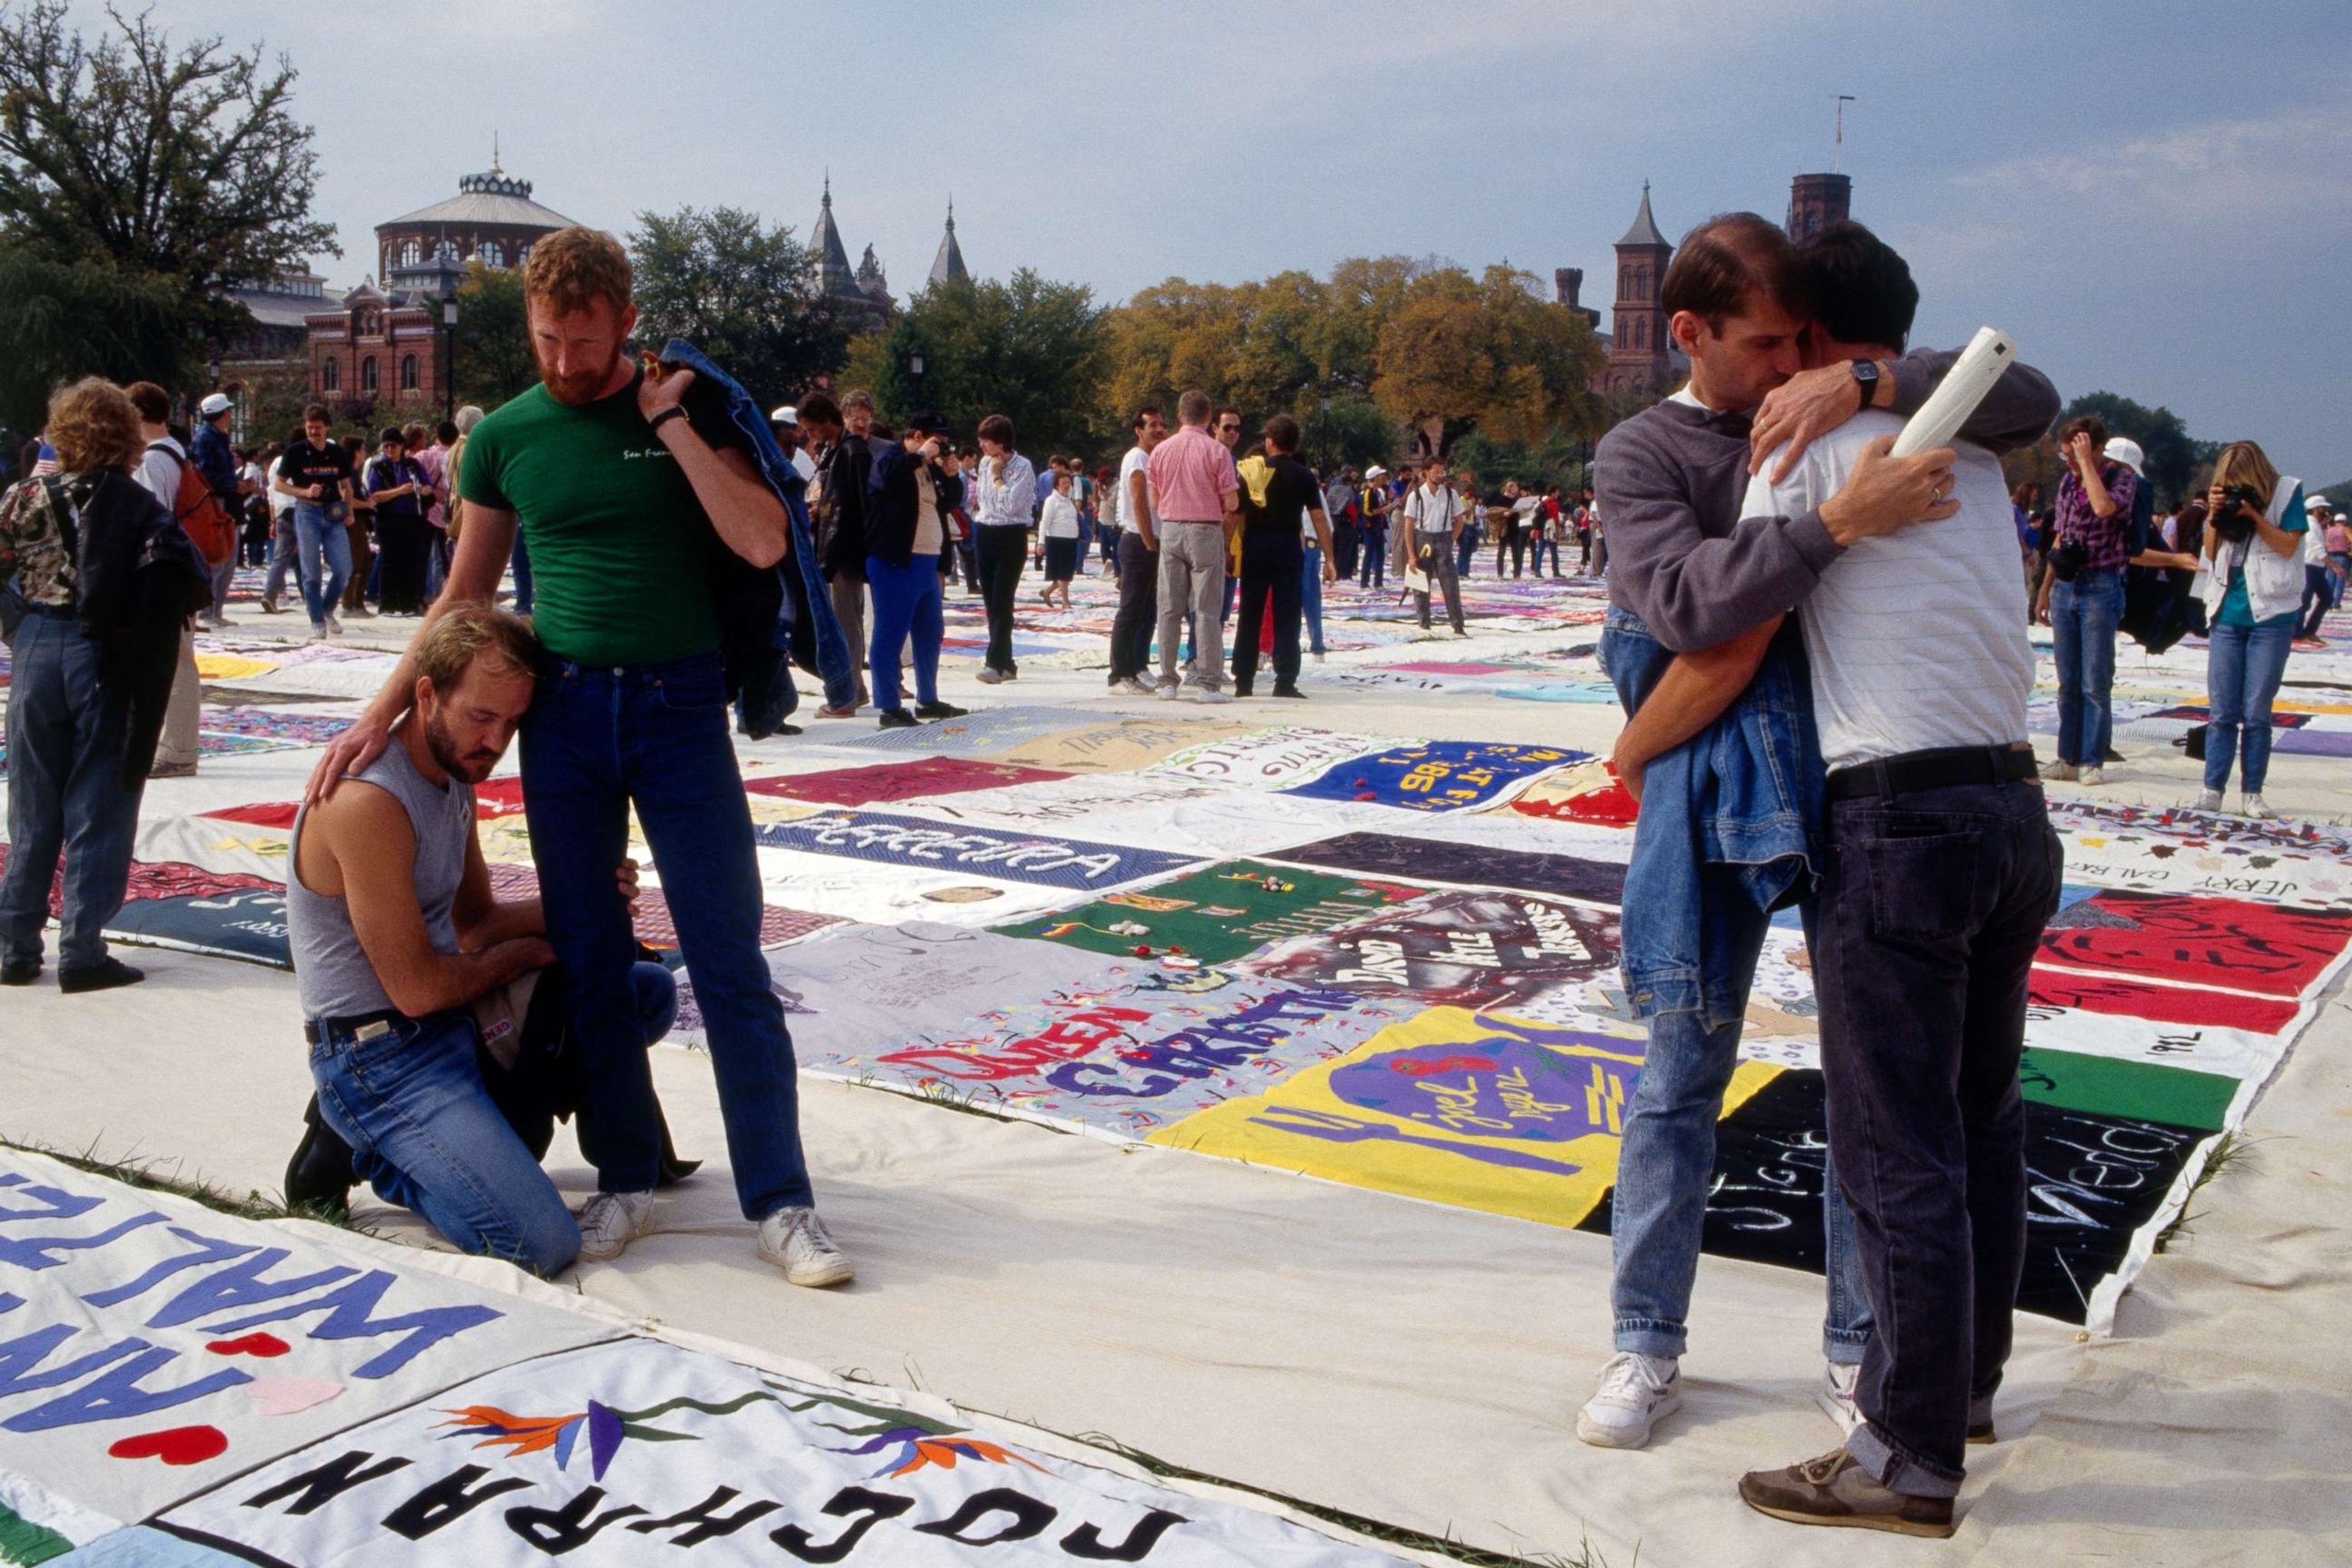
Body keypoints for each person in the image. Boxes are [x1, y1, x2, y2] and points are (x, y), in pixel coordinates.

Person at [1581, 210, 2057, 1466]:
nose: (1790, 362)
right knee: (1684, 1069)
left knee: (1877, 1098)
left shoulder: (1836, 415)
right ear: (1685, 334)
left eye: (1810, 341)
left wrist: (1862, 380)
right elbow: (1693, 614)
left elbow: (2027, 391)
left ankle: (1867, 1352)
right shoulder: (1645, 448)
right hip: (1712, 785)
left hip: (1848, 784)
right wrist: (1845, 512)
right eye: (1769, 343)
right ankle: (1648, 1335)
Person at [308, 227, 853, 1285]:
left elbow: (762, 540)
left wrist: (670, 428)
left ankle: (782, 1200)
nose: (564, 362)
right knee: (591, 953)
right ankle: (627, 1178)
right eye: (548, 339)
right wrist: (381, 710)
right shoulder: (504, 437)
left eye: (586, 341)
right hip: (562, 716)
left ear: (627, 324)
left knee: (728, 956)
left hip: (679, 707)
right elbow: (464, 591)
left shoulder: (687, 405)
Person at [285, 606, 691, 1276]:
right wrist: (536, 951)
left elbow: (474, 924)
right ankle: (364, 1145)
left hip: (451, 1022)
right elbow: (417, 991)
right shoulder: (370, 803)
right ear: (426, 695)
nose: (495, 741)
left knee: (642, 991)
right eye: (481, 717)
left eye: (510, 724)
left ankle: (472, 1133)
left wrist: (582, 896)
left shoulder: (448, 773)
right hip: (382, 1053)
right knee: (541, 1242)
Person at [1, 378, 209, 991]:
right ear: (126, 436)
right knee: (100, 800)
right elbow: (173, 580)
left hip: (37, 647)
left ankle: (14, 944)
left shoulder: (22, 496)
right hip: (108, 656)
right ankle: (83, 949)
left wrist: (19, 625)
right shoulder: (135, 503)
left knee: (33, 804)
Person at [2194, 443, 2308, 818]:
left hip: (2271, 615)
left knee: (2257, 711)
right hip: (2227, 612)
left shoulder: (2287, 491)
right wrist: (2214, 515)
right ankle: (2212, 788)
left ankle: (2252, 792)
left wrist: (2255, 516)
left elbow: (2289, 546)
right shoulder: (2222, 503)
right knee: (2222, 710)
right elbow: (2210, 554)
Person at [2035, 415, 2135, 785]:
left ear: (2096, 449)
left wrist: (2088, 468)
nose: (2070, 463)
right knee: (2068, 680)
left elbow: (2104, 509)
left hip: (2101, 585)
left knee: (2095, 680)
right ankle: (2067, 756)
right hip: (2066, 585)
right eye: (2066, 456)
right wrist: (2045, 589)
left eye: (2075, 453)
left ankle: (2092, 758)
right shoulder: (2065, 483)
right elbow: (2061, 538)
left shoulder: (2120, 478)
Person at [866, 410, 970, 730]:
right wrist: (918, 457)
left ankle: (927, 697)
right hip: (897, 560)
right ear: (916, 436)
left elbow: (950, 502)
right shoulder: (892, 457)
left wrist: (952, 476)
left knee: (929, 631)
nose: (942, 446)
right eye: (936, 439)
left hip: (927, 561)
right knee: (891, 632)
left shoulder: (931, 467)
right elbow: (887, 481)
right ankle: (888, 705)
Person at [126, 382, 201, 781]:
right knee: (177, 658)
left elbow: (152, 518)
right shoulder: (175, 451)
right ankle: (178, 745)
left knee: (173, 660)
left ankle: (179, 748)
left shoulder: (154, 460)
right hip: (178, 569)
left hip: (165, 573)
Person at [1231, 413, 1336, 698]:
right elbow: (1317, 518)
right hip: (1289, 546)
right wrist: (1330, 558)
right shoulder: (1303, 475)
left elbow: (1235, 514)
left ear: (1269, 441)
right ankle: (1285, 680)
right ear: (1293, 443)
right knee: (1287, 614)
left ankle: (1244, 680)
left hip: (1255, 545)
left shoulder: (1252, 471)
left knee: (1251, 612)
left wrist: (1228, 549)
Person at [1148, 390, 1240, 703]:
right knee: (1206, 610)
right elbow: (1232, 501)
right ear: (1208, 417)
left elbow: (1154, 499)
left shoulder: (1161, 450)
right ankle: (1207, 683)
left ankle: (1167, 681)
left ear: (1179, 415)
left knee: (1169, 608)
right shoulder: (1217, 452)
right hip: (1205, 528)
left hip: (1172, 528)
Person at [800, 391, 871, 715]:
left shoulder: (851, 451)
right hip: (840, 544)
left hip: (846, 547)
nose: (811, 436)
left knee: (845, 622)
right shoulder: (839, 450)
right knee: (848, 619)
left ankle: (848, 694)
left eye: (813, 429)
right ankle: (855, 688)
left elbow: (857, 505)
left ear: (829, 420)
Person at [273, 404, 358, 639]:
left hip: (332, 514)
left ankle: (327, 608)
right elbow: (279, 484)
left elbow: (346, 486)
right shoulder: (295, 452)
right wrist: (304, 491)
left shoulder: (336, 452)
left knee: (344, 569)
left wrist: (349, 510)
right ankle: (317, 619)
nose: (313, 432)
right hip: (306, 512)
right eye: (310, 428)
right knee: (311, 572)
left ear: (327, 427)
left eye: (318, 428)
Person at [969, 413, 1035, 683]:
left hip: (1011, 535)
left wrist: (998, 478)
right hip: (986, 532)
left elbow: (1011, 505)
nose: (982, 445)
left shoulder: (1023, 467)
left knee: (1002, 599)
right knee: (990, 602)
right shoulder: (984, 463)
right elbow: (983, 502)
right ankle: (1007, 663)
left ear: (1001, 442)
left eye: (986, 440)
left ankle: (993, 662)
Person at [1106, 406, 1166, 694]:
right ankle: (1119, 674)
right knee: (1131, 609)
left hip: (1151, 540)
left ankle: (1136, 666)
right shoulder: (1138, 458)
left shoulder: (1151, 458)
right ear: (1138, 430)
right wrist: (1150, 542)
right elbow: (1139, 502)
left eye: (1161, 424)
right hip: (1140, 541)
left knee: (1148, 610)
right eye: (1152, 425)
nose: (1158, 429)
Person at [364, 427, 432, 616]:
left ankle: (408, 603)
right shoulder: (379, 467)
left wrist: (424, 490)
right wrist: (399, 491)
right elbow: (375, 495)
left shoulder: (412, 464)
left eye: (393, 446)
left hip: (412, 516)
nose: (389, 450)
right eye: (385, 446)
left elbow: (427, 484)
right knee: (389, 560)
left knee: (410, 560)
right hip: (389, 518)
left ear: (401, 446)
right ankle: (387, 603)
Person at [191, 392, 240, 629]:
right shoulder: (205, 439)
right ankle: (207, 610)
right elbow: (204, 474)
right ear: (222, 414)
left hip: (228, 498)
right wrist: (233, 485)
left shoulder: (220, 437)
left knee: (229, 557)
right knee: (216, 557)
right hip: (215, 500)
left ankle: (217, 609)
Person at [1405, 459, 1468, 635]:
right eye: (1436, 471)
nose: (1440, 475)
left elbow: (1459, 521)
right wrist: (1411, 554)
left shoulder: (1450, 494)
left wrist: (1451, 539)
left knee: (1450, 584)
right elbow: (1409, 525)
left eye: (1443, 472)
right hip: (1422, 538)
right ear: (1426, 472)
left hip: (1443, 538)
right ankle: (1424, 623)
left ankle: (1457, 624)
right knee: (1421, 586)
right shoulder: (1415, 495)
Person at [2295, 487, 2334, 645]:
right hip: (2309, 566)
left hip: (2317, 568)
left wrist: (2324, 526)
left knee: (2326, 599)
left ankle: (2309, 631)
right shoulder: (2309, 525)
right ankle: (2297, 632)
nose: (2326, 511)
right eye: (2324, 508)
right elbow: (2317, 548)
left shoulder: (2316, 524)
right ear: (2317, 509)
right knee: (2304, 601)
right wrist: (2334, 566)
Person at [1038, 466, 1081, 609]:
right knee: (1062, 574)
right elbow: (1044, 522)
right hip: (1057, 540)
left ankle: (1046, 592)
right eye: (1063, 483)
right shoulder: (1051, 501)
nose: (1067, 485)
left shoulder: (1069, 501)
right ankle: (1065, 602)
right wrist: (1040, 542)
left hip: (1071, 540)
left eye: (1068, 482)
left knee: (1066, 575)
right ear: (1057, 485)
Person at [1357, 465, 1390, 587]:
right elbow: (1366, 511)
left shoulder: (1378, 492)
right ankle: (1364, 583)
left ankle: (1378, 582)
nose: (1383, 479)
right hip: (1370, 529)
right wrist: (1381, 510)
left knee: (1380, 556)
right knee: (1369, 555)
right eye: (1381, 476)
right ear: (1375, 478)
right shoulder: (1367, 492)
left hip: (1378, 528)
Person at [2322, 496, 2350, 607]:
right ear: (2344, 521)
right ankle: (2336, 603)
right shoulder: (2345, 529)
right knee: (2340, 581)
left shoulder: (2329, 530)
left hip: (2330, 556)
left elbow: (2325, 542)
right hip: (2342, 556)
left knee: (2330, 580)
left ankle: (2328, 601)